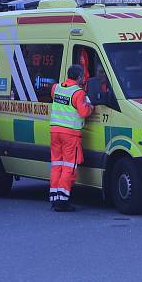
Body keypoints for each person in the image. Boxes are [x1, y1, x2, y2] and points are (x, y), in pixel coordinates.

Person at [49, 64, 95, 212]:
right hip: (70, 134)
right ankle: (62, 201)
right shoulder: (78, 92)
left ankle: (55, 197)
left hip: (55, 131)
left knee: (57, 165)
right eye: (83, 76)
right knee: (69, 167)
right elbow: (83, 112)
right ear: (79, 77)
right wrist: (91, 107)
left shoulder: (56, 88)